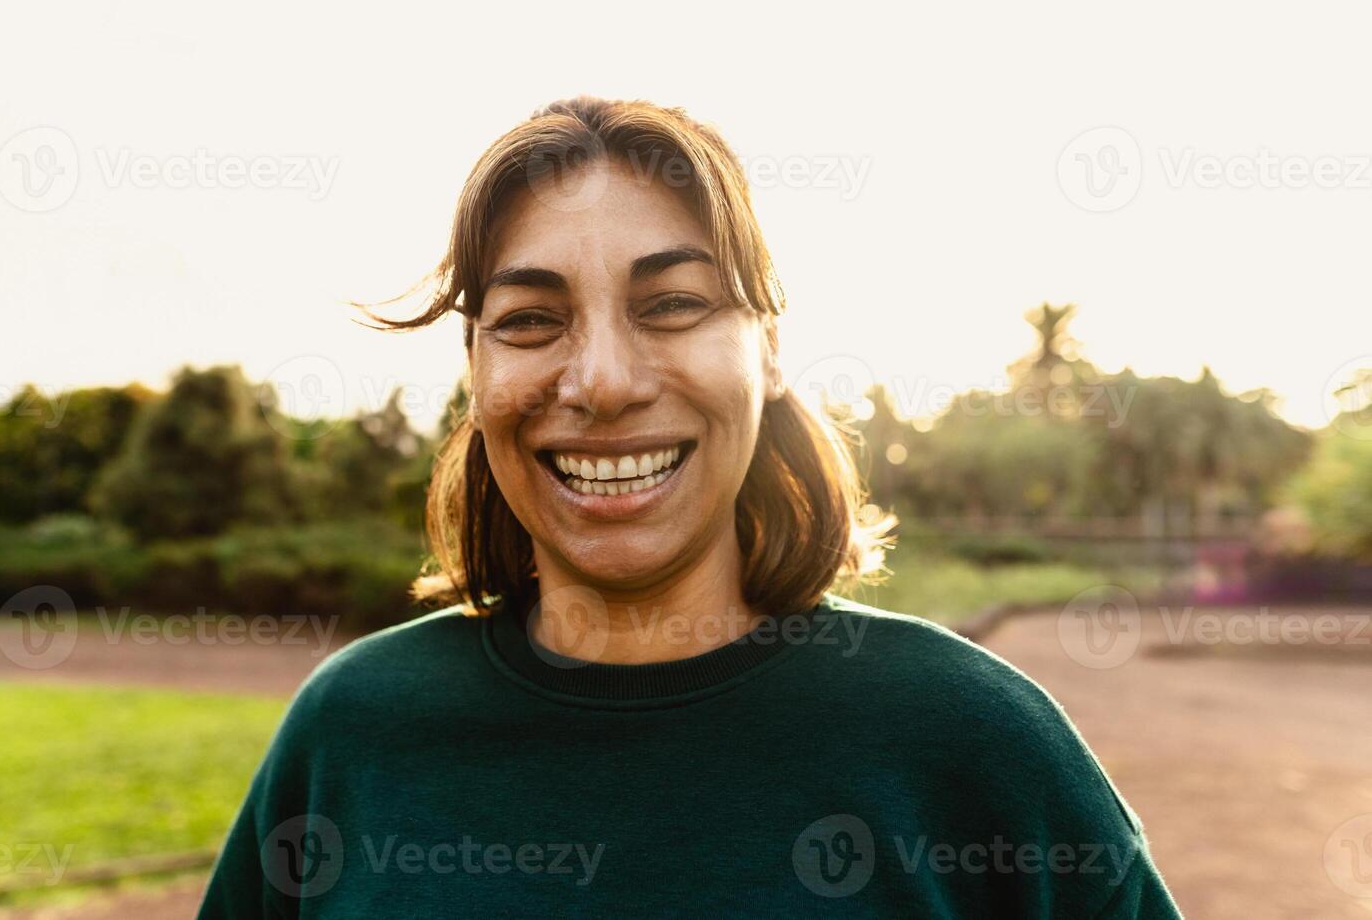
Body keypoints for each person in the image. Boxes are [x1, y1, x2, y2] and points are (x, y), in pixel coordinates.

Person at [197, 96, 1181, 917]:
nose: (604, 380)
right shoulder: (351, 731)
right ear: (476, 370)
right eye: (532, 320)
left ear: (770, 349)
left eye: (671, 305)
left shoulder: (972, 737)